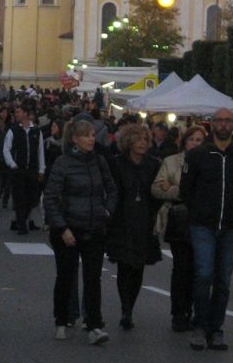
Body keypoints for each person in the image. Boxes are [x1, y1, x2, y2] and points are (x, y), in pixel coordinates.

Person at [180, 108, 233, 351]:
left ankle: (216, 328)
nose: (223, 125)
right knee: (203, 274)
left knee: (223, 279)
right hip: (204, 224)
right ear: (212, 124)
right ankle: (200, 326)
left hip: (231, 225)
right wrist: (198, 213)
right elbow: (186, 191)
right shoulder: (198, 154)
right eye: (219, 121)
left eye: (227, 121)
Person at [43, 116, 117, 344]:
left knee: (93, 278)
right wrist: (62, 227)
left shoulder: (99, 162)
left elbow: (112, 189)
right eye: (86, 135)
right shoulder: (63, 163)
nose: (91, 139)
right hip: (69, 227)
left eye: (93, 135)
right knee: (66, 276)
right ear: (75, 139)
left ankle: (94, 324)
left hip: (94, 226)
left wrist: (107, 211)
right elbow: (51, 197)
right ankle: (61, 319)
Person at [153, 125, 207, 331]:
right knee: (181, 268)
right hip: (179, 218)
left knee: (199, 269)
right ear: (184, 141)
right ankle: (179, 312)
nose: (195, 143)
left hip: (202, 220)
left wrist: (175, 187)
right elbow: (157, 188)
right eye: (192, 139)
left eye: (199, 140)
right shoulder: (171, 162)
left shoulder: (208, 162)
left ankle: (194, 310)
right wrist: (179, 191)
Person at [107, 123, 160, 330]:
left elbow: (156, 191)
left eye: (145, 140)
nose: (142, 144)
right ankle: (125, 307)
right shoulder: (117, 163)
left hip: (144, 218)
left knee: (138, 266)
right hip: (122, 218)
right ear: (128, 142)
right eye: (138, 140)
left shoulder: (153, 164)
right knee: (124, 265)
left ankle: (131, 305)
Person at [4, 102, 45, 234]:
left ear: (26, 114)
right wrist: (12, 164)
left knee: (32, 198)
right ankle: (22, 225)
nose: (16, 114)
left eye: (19, 112)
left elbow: (40, 151)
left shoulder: (36, 131)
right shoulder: (13, 130)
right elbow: (6, 149)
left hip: (32, 169)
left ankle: (21, 220)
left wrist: (41, 169)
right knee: (19, 197)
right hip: (19, 169)